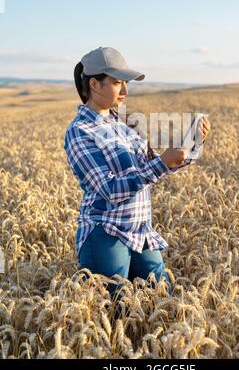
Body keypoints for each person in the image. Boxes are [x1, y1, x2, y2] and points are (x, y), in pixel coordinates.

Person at [64, 46, 211, 318]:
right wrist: (161, 163)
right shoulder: (79, 131)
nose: (125, 91)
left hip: (140, 231)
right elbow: (109, 189)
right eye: (118, 82)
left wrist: (192, 145)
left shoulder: (123, 124)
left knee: (162, 301)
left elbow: (152, 165)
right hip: (105, 234)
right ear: (94, 84)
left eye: (126, 83)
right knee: (115, 314)